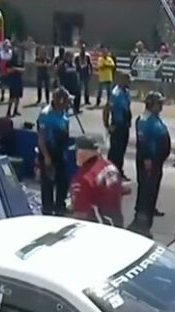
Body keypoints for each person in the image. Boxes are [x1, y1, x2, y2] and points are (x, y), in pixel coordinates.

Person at [130, 91, 171, 235]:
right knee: (146, 189)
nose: (161, 106)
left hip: (157, 160)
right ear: (151, 104)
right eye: (159, 104)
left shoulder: (155, 118)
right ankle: (141, 220)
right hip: (149, 160)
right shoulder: (144, 120)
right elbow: (143, 141)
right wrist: (147, 158)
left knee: (153, 188)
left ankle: (149, 211)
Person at [69, 136, 124, 227]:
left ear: (82, 152)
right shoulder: (110, 167)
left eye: (76, 151)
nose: (75, 155)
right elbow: (122, 190)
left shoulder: (84, 177)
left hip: (97, 228)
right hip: (116, 224)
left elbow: (81, 214)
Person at [36, 87, 72, 215]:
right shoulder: (46, 115)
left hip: (60, 151)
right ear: (60, 100)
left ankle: (60, 207)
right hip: (49, 152)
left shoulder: (64, 113)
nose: (69, 103)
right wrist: (46, 156)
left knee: (63, 181)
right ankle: (47, 209)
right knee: (48, 183)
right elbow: (41, 138)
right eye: (67, 100)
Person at [103, 71, 132, 181]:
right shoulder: (115, 94)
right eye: (128, 80)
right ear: (122, 80)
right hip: (117, 125)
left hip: (125, 125)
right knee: (115, 151)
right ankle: (109, 172)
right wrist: (107, 125)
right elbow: (107, 109)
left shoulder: (126, 92)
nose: (129, 82)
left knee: (121, 150)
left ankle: (119, 171)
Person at [4, 45, 25, 118]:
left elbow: (23, 70)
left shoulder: (20, 61)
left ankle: (15, 110)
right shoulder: (10, 61)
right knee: (12, 97)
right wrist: (15, 70)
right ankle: (9, 111)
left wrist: (15, 69)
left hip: (19, 80)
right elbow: (8, 70)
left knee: (18, 96)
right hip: (12, 80)